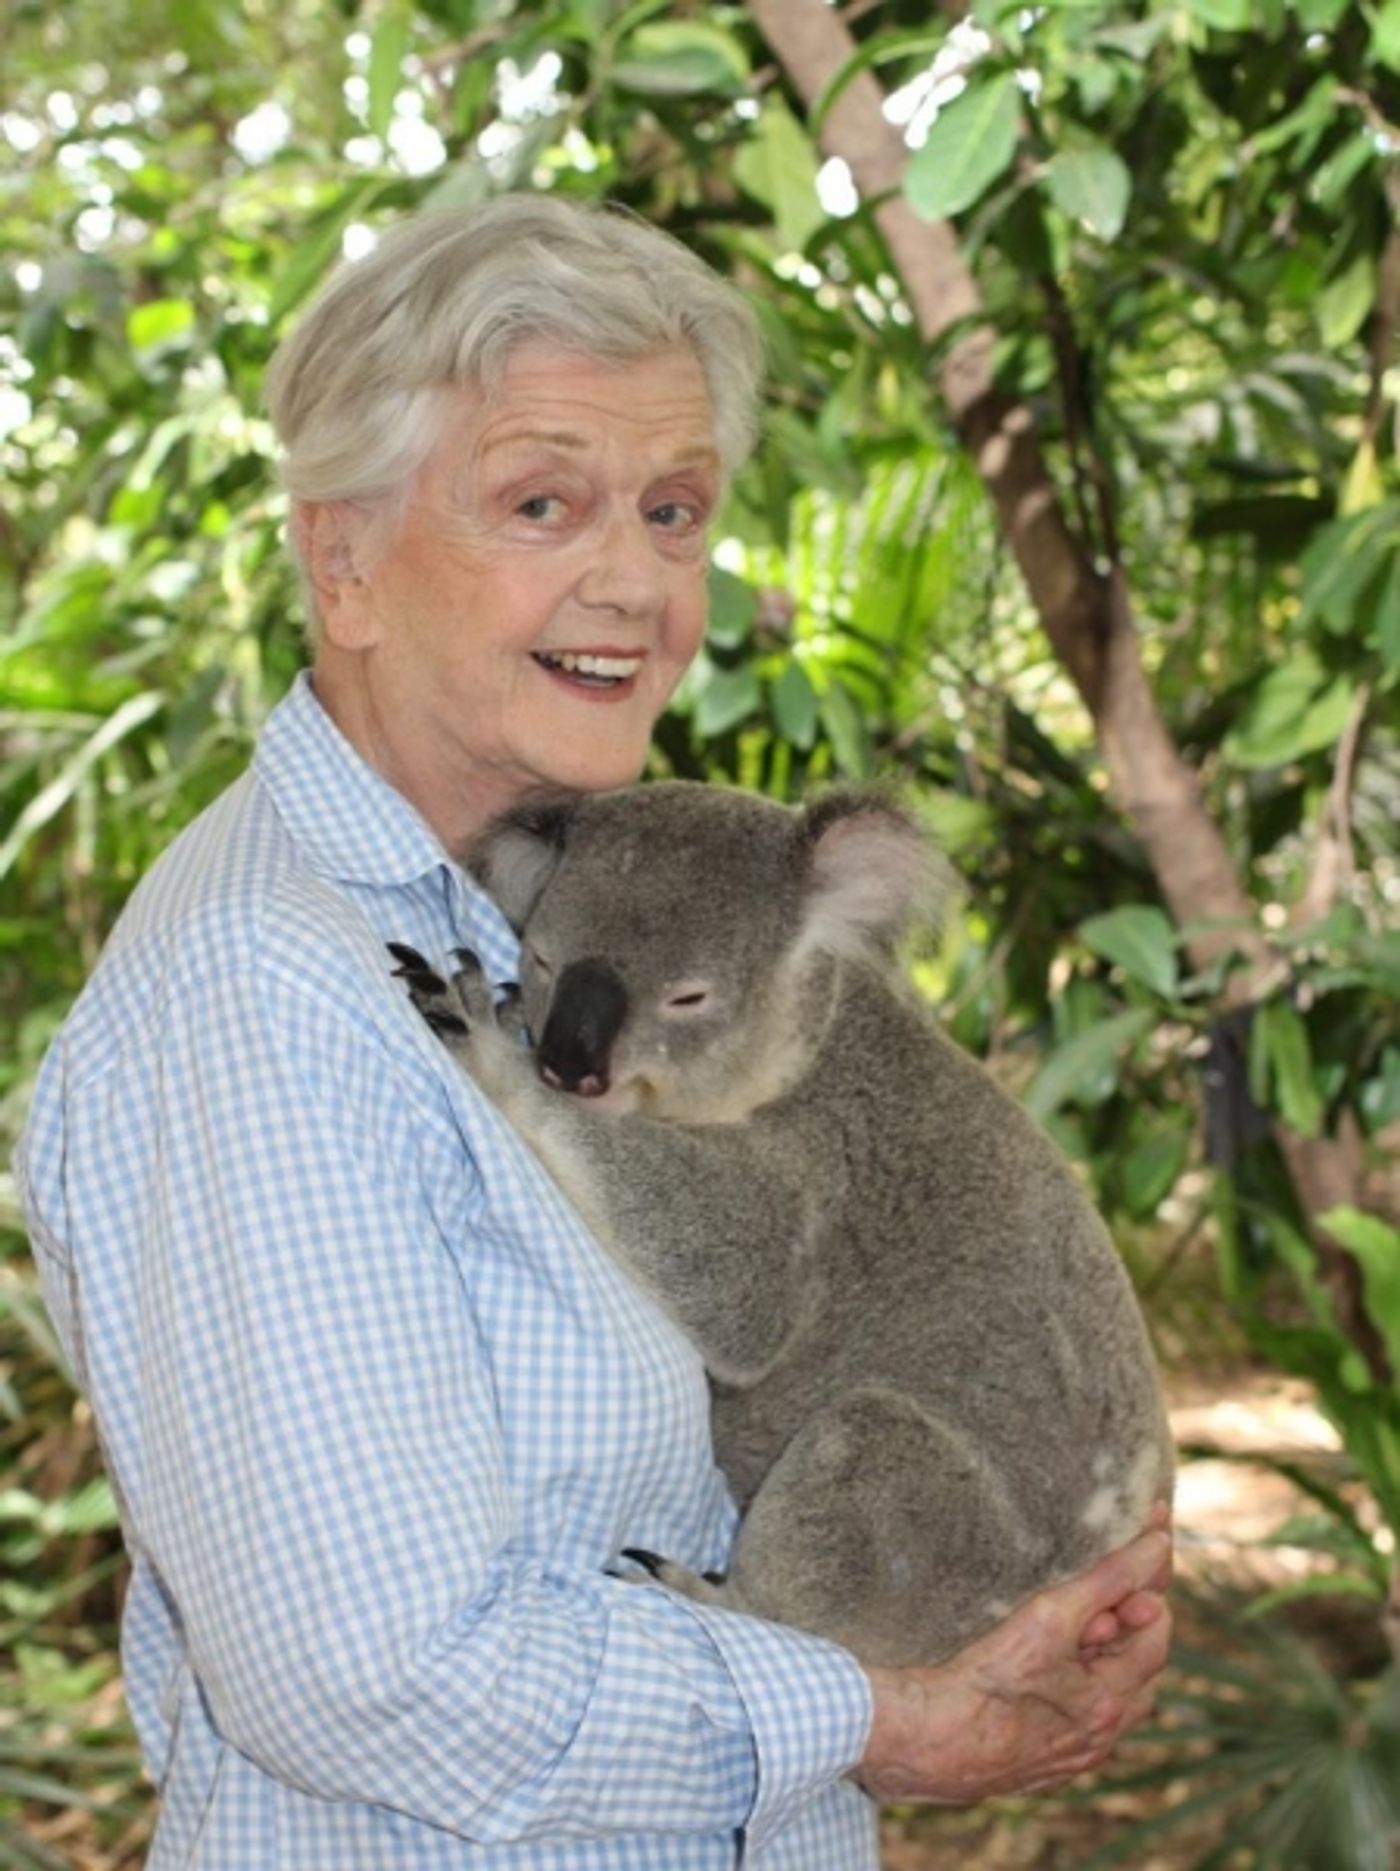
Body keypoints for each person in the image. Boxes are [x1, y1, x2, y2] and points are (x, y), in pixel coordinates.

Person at [16, 193, 1171, 1869]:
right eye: (541, 502)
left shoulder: (554, 894)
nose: (632, 580)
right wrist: (884, 1722)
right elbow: (373, 1676)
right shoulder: (265, 1000)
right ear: (340, 559)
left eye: (674, 509)